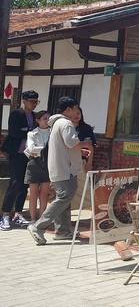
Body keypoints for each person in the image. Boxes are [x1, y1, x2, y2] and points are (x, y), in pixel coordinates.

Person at [28, 97, 94, 245]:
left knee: (65, 199)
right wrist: (86, 145)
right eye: (74, 109)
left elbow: (66, 146)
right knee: (64, 198)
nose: (76, 112)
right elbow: (71, 143)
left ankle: (62, 230)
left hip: (59, 167)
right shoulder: (66, 123)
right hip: (65, 168)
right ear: (68, 109)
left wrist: (80, 150)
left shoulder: (57, 123)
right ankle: (38, 226)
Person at [1, 90, 39, 231]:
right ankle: (5, 214)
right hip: (16, 152)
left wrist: (29, 131)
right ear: (24, 101)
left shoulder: (35, 116)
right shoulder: (16, 114)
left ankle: (18, 213)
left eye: (36, 101)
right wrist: (30, 131)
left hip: (29, 154)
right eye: (31, 101)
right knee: (15, 182)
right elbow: (14, 132)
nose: (34, 104)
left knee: (25, 184)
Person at [24, 111, 51, 223]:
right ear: (38, 120)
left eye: (48, 119)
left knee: (44, 193)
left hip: (48, 163)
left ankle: (41, 219)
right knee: (33, 193)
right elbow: (30, 148)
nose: (47, 121)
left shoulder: (53, 132)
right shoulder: (32, 133)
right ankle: (33, 219)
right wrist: (37, 151)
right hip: (34, 163)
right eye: (44, 118)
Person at [76, 107, 97, 171]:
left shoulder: (86, 128)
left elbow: (92, 145)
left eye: (78, 113)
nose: (76, 116)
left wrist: (89, 163)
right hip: (66, 161)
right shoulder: (65, 127)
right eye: (74, 114)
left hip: (81, 161)